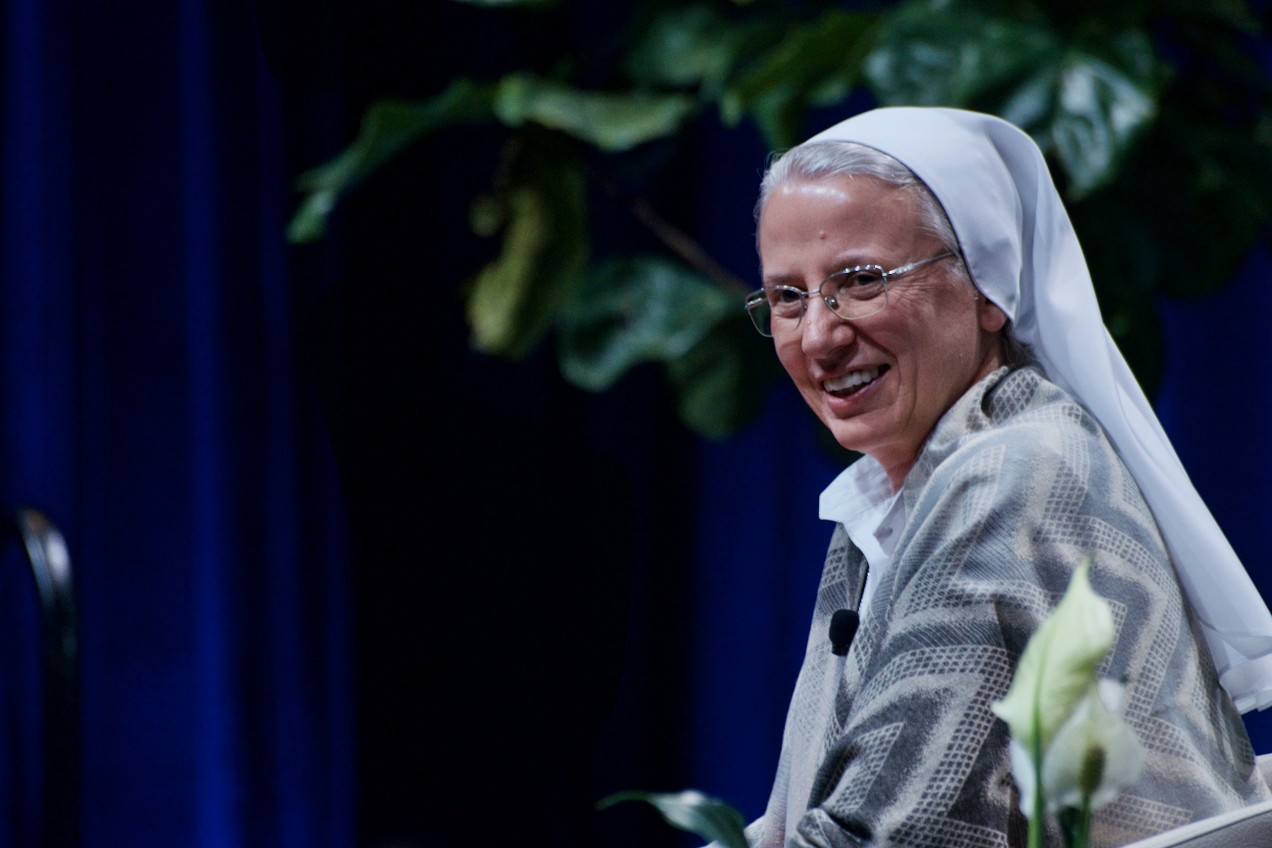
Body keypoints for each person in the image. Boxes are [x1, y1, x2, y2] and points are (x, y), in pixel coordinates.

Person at [742, 106, 1272, 847]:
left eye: (860, 282)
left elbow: (893, 833)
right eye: (788, 298)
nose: (820, 336)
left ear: (989, 286)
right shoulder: (902, 484)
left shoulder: (1011, 476)